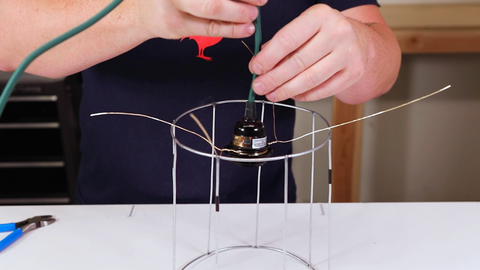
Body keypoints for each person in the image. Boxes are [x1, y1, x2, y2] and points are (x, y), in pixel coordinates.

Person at [0, 0, 401, 204]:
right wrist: (140, 14)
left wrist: (362, 48)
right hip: (111, 215)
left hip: (263, 222)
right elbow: (9, 36)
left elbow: (377, 67)